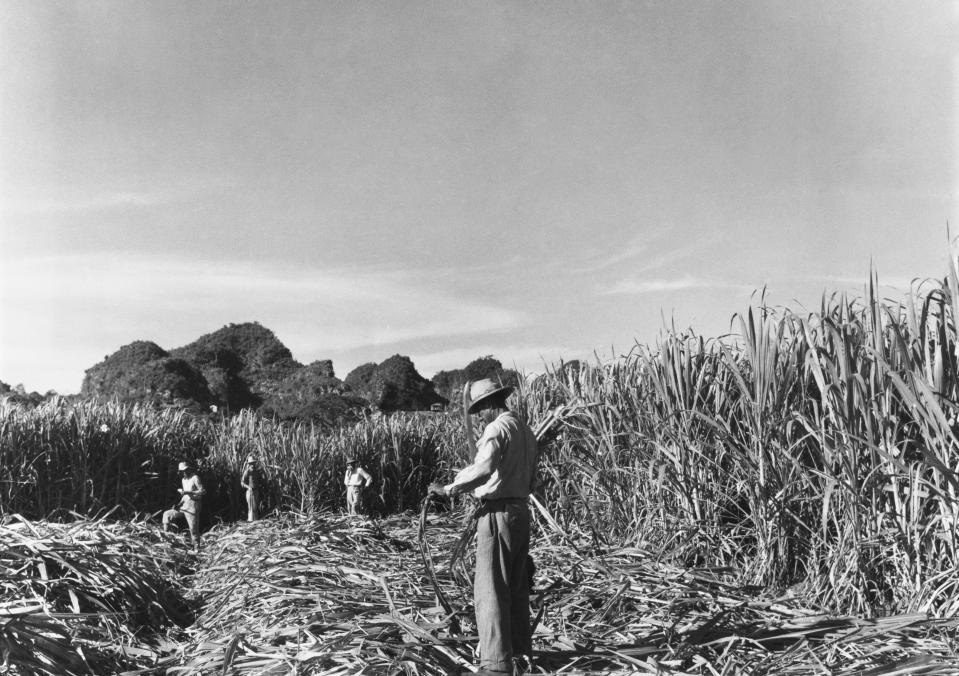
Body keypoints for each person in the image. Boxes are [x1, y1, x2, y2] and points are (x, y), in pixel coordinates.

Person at [429, 377, 538, 676]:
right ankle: (519, 655)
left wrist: (449, 489)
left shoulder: (497, 428)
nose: (478, 417)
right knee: (515, 586)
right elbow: (532, 479)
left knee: (490, 588)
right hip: (520, 512)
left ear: (490, 405)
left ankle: (495, 665)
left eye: (480, 410)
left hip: (498, 513)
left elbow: (485, 468)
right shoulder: (525, 430)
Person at [162, 461, 205, 551]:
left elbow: (202, 491)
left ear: (189, 469)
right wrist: (178, 504)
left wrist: (188, 492)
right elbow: (185, 496)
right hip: (184, 506)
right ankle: (165, 540)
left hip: (193, 506)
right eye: (182, 471)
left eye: (185, 470)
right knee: (167, 514)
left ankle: (197, 549)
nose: (184, 472)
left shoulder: (195, 478)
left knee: (193, 529)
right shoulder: (183, 480)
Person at [240, 454, 259, 522]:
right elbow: (242, 482)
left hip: (256, 491)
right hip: (250, 492)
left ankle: (256, 522)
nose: (253, 465)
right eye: (251, 463)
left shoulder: (256, 471)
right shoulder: (247, 471)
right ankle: (251, 522)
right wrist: (248, 487)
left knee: (255, 508)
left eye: (254, 463)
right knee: (251, 508)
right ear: (249, 464)